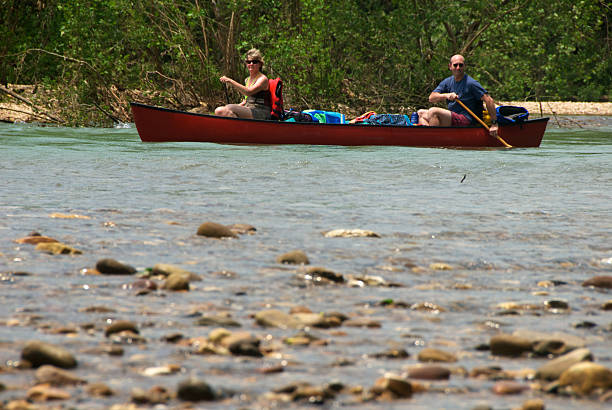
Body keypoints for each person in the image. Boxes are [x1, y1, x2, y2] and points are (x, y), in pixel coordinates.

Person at [417, 54, 498, 137]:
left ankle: (434, 141)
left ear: (465, 66)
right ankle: (428, 139)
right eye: (455, 65)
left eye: (461, 65)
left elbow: (489, 100)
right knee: (421, 113)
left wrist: (494, 124)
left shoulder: (471, 83)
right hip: (454, 117)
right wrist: (446, 95)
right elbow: (431, 98)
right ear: (450, 66)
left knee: (433, 111)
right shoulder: (447, 82)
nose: (458, 68)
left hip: (468, 120)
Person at [215, 48, 271, 119]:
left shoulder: (263, 79)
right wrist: (237, 106)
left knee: (223, 110)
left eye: (254, 62)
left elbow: (248, 92)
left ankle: (239, 129)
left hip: (261, 111)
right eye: (248, 62)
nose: (251, 64)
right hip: (249, 108)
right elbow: (247, 100)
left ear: (260, 64)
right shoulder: (247, 79)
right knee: (221, 110)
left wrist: (230, 81)